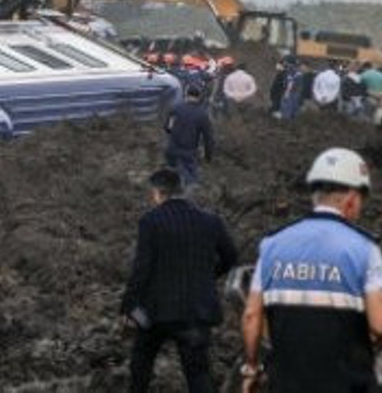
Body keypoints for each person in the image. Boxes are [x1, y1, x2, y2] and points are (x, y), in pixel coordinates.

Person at [240, 148, 382, 392]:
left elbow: (252, 316)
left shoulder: (272, 244)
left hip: (285, 384)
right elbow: (378, 325)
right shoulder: (365, 249)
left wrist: (252, 368)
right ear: (350, 198)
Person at [121, 168, 237, 393]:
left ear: (157, 193)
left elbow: (142, 268)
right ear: (181, 190)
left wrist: (128, 306)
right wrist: (208, 275)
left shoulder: (151, 221)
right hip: (196, 311)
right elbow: (231, 257)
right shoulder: (211, 221)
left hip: (156, 312)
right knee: (198, 375)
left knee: (140, 367)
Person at [164, 85, 215, 187]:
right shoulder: (202, 115)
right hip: (188, 153)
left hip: (171, 150)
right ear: (199, 97)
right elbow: (208, 138)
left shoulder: (175, 109)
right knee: (191, 182)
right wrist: (208, 156)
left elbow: (167, 128)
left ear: (185, 95)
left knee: (173, 179)